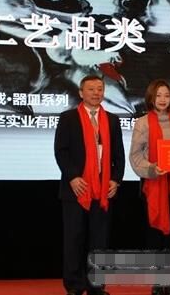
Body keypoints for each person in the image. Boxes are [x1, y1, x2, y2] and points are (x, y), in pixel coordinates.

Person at [54, 75, 126, 295]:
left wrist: (115, 180)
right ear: (81, 92)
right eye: (91, 89)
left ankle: (96, 285)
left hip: (103, 189)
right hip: (76, 189)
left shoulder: (112, 120)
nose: (96, 93)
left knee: (99, 241)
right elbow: (61, 151)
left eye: (100, 89)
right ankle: (74, 285)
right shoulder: (68, 118)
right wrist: (73, 177)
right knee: (74, 239)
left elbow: (119, 155)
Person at [129, 79, 170, 295]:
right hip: (153, 187)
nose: (162, 99)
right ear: (151, 98)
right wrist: (151, 168)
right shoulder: (142, 123)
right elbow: (135, 155)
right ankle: (157, 282)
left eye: (166, 95)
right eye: (158, 95)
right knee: (155, 236)